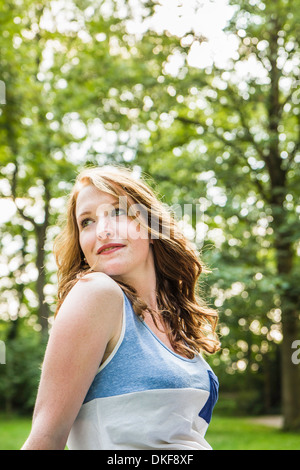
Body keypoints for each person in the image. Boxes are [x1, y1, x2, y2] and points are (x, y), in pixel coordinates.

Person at [22, 165, 220, 450]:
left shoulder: (175, 322)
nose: (102, 231)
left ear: (152, 228)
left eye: (117, 211)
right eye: (86, 222)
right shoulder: (97, 294)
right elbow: (46, 439)